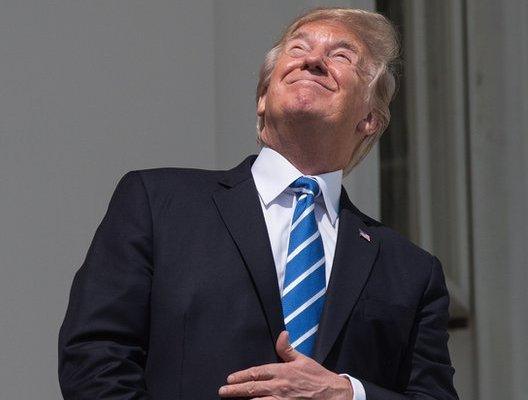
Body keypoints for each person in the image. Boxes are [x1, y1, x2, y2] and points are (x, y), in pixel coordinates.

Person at [58, 8, 457, 399]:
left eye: (341, 56)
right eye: (297, 50)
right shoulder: (158, 204)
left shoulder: (410, 271)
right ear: (263, 99)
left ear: (370, 118)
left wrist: (345, 394)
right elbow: (95, 360)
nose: (314, 60)